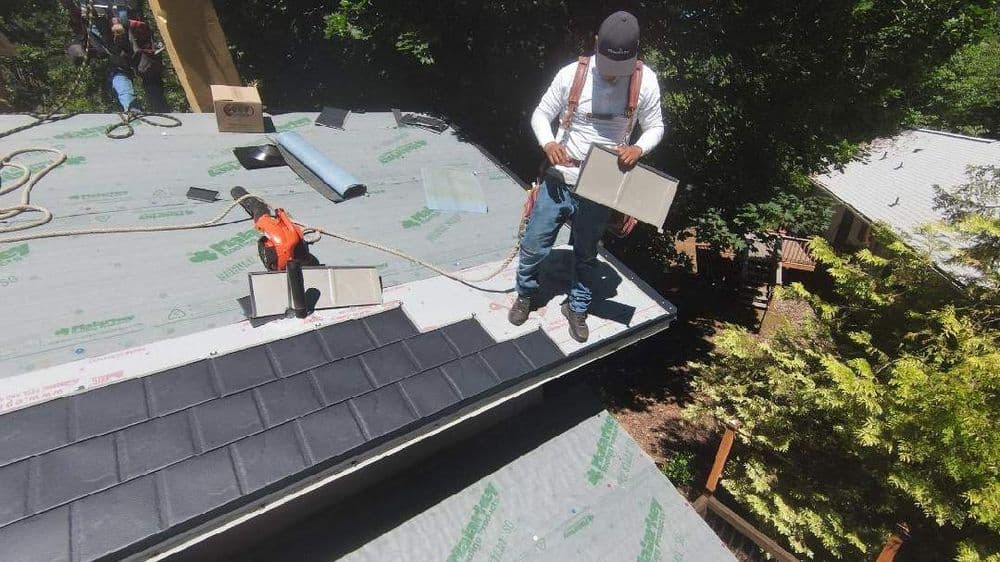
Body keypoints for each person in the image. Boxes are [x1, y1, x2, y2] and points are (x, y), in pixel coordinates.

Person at [509, 10, 665, 343]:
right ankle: (525, 293)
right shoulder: (572, 74)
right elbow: (541, 114)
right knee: (534, 244)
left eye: (620, 68)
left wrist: (638, 148)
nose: (612, 75)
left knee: (587, 252)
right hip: (559, 178)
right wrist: (549, 142)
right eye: (608, 65)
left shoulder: (645, 81)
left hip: (601, 185)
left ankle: (577, 306)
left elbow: (656, 127)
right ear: (596, 45)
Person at [62, 0, 168, 113]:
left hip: (114, 19)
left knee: (134, 68)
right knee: (128, 68)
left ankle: (142, 109)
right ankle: (141, 109)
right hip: (109, 19)